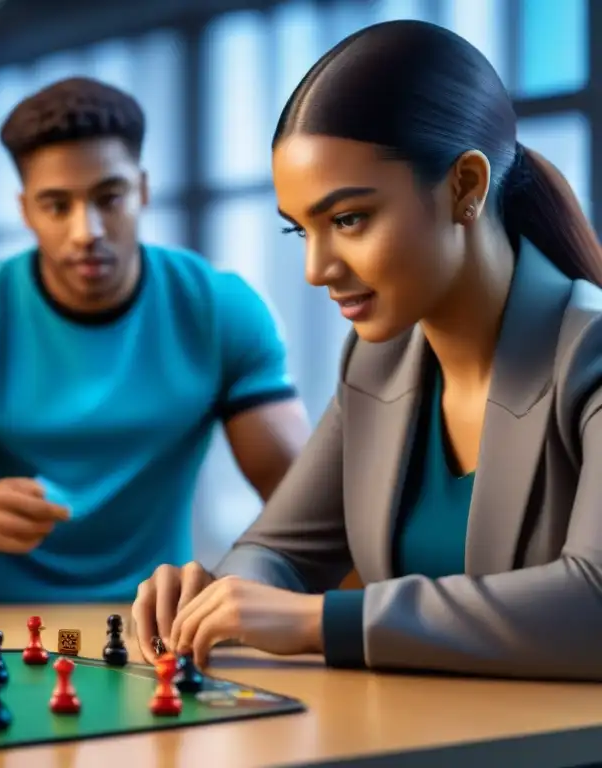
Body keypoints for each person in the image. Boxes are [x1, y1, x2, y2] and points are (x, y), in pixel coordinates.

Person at [131, 20, 602, 681]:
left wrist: (319, 621)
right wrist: (216, 598)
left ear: (466, 187)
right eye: (303, 231)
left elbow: (593, 604)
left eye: (348, 219)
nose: (317, 268)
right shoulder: (374, 363)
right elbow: (280, 553)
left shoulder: (591, 352)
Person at [0, 77, 311, 603]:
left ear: (142, 190)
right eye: (56, 205)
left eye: (109, 197)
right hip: (12, 628)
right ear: (25, 210)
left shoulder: (220, 309)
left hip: (163, 624)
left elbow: (302, 505)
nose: (86, 229)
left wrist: (282, 597)